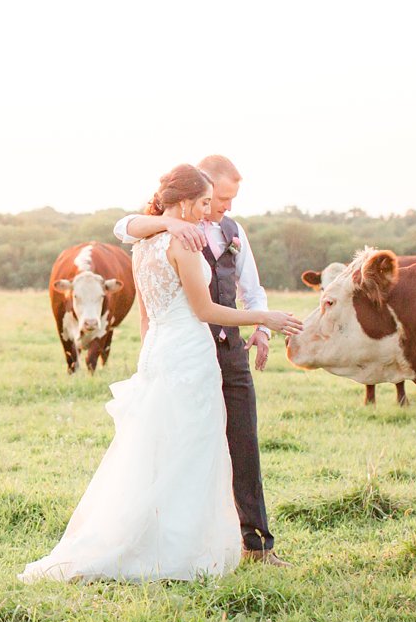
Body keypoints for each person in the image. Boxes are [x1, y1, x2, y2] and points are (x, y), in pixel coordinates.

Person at [20, 164, 302, 582]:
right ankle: (178, 549)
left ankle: (241, 542)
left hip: (169, 350)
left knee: (174, 450)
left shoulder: (147, 245)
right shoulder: (175, 239)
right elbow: (204, 310)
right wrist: (267, 318)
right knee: (192, 451)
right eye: (209, 201)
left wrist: (152, 354)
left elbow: (151, 315)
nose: (214, 210)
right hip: (190, 350)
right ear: (188, 200)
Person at [112, 154, 288, 565]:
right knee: (185, 446)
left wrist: (261, 328)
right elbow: (123, 227)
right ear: (198, 192)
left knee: (243, 443)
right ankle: (178, 542)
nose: (224, 207)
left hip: (227, 351)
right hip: (188, 351)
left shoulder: (232, 230)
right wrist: (170, 222)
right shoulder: (160, 231)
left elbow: (251, 286)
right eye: (219, 197)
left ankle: (257, 544)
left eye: (228, 199)